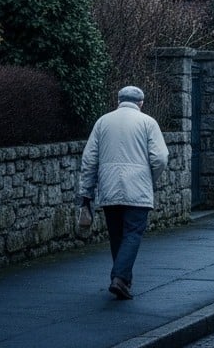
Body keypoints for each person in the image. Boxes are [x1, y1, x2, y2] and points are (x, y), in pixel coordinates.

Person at [78, 85, 169, 301]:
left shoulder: (102, 122)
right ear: (141, 103)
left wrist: (86, 194)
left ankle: (123, 280)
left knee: (117, 235)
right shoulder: (148, 122)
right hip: (137, 190)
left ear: (118, 101)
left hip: (109, 189)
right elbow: (161, 158)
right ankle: (119, 278)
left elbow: (89, 160)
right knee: (133, 234)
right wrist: (150, 178)